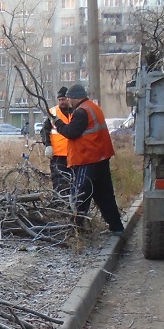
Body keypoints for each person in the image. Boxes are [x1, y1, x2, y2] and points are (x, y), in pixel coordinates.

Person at [49, 83, 124, 234]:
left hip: (87, 158)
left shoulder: (81, 112)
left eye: (69, 98)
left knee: (80, 194)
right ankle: (116, 227)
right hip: (100, 157)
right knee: (104, 195)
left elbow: (71, 132)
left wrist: (57, 122)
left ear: (76, 98)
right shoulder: (93, 108)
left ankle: (76, 230)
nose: (68, 101)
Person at [40, 87, 73, 197]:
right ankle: (59, 205)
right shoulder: (53, 112)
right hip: (58, 155)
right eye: (59, 100)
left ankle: (72, 205)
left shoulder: (76, 111)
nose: (61, 102)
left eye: (63, 99)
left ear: (69, 99)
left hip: (74, 154)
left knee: (73, 182)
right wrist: (48, 145)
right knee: (58, 182)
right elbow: (45, 130)